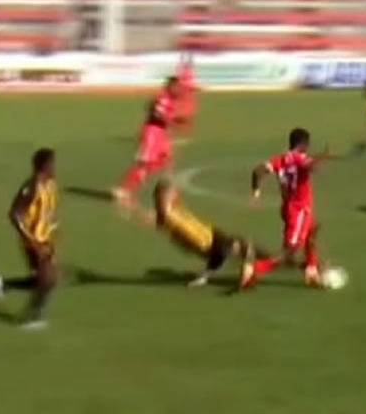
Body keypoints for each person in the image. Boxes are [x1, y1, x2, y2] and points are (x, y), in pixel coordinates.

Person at [243, 127, 331, 289]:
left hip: (288, 207)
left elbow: (257, 171)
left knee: (311, 231)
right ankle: (255, 269)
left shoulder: (280, 159)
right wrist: (322, 158)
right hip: (299, 210)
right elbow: (310, 166)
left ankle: (311, 270)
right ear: (304, 144)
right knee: (291, 251)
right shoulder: (300, 158)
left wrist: (256, 192)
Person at [152, 179, 266, 288]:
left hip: (212, 237)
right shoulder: (170, 216)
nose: (176, 195)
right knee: (243, 249)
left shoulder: (173, 211)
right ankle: (250, 267)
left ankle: (251, 265)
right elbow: (200, 245)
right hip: (211, 243)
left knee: (244, 248)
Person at [0, 148, 58, 330]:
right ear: (43, 165)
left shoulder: (50, 184)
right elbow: (14, 215)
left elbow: (47, 213)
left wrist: (51, 235)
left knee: (45, 280)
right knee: (48, 280)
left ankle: (3, 285)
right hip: (32, 241)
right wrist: (34, 243)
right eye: (52, 164)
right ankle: (31, 317)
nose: (54, 167)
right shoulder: (32, 186)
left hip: (45, 239)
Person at [113, 77, 180, 208]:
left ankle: (168, 191)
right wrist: (169, 119)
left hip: (161, 133)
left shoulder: (168, 99)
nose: (178, 90)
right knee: (144, 163)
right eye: (176, 87)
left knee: (165, 160)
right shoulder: (164, 98)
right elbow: (156, 114)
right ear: (170, 86)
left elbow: (149, 106)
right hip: (153, 132)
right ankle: (123, 189)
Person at [172, 54, 197, 140]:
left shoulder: (187, 72)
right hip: (184, 93)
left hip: (186, 94)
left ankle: (183, 129)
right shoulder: (184, 72)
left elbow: (189, 66)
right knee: (182, 111)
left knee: (185, 112)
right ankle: (180, 128)